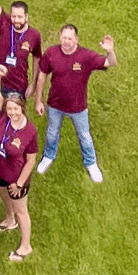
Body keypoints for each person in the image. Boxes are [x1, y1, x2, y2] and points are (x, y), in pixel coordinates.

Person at [35, 25, 117, 182]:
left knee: (85, 136)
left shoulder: (86, 56)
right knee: (52, 133)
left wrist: (110, 51)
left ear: (76, 40)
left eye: (70, 38)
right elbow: (42, 75)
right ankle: (48, 156)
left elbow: (110, 63)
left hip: (78, 108)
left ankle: (91, 163)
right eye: (64, 38)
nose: (66, 41)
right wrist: (38, 100)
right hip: (55, 105)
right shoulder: (51, 53)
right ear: (60, 37)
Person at [0, 66, 39, 262]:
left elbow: (31, 160)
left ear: (22, 108)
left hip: (16, 178)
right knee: (4, 197)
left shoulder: (30, 131)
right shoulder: (4, 116)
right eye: (9, 109)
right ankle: (9, 220)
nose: (12, 112)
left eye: (15, 109)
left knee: (21, 211)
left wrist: (19, 183)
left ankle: (26, 246)